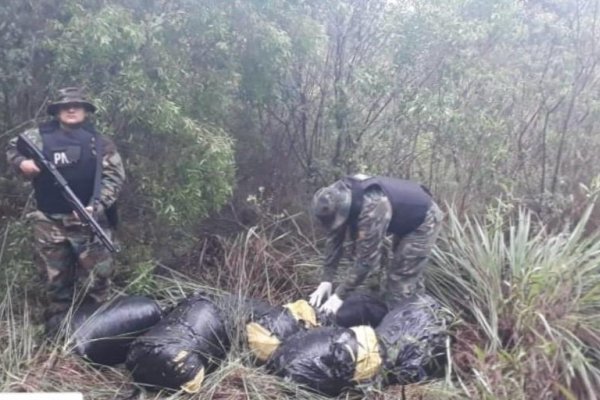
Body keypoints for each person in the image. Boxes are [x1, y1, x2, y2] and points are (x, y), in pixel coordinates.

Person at [5, 87, 125, 319]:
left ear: (86, 111)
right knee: (55, 283)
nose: (71, 109)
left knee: (97, 283)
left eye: (77, 105)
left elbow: (114, 178)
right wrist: (21, 163)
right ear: (56, 111)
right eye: (65, 106)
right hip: (48, 222)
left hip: (88, 221)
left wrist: (95, 206)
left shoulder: (100, 143)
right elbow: (12, 147)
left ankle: (95, 333)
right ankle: (59, 330)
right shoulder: (36, 136)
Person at [308, 174, 443, 326]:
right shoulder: (333, 196)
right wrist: (326, 279)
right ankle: (416, 309)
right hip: (403, 216)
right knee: (400, 273)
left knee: (401, 279)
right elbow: (334, 240)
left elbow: (367, 261)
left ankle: (402, 329)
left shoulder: (372, 208)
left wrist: (339, 295)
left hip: (424, 219)